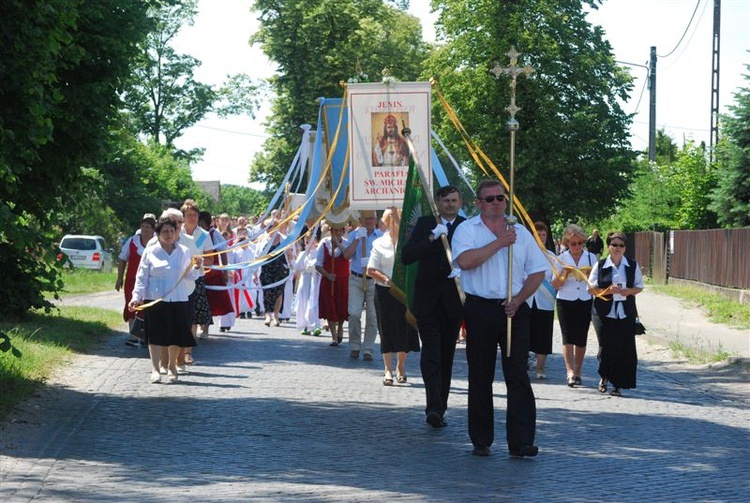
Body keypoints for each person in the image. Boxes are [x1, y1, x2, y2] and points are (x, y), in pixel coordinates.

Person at [452, 180, 546, 458]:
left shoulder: (521, 233)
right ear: (479, 202)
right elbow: (466, 261)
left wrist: (519, 300)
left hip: (514, 309)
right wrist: (499, 243)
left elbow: (537, 271)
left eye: (500, 198)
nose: (496, 203)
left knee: (517, 373)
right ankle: (481, 439)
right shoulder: (467, 230)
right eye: (490, 199)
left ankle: (521, 441)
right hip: (480, 308)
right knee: (480, 374)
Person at [401, 185, 465, 428]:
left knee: (447, 354)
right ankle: (433, 407)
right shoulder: (426, 223)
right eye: (445, 200)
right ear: (437, 202)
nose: (449, 204)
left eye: (453, 200)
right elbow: (407, 256)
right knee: (431, 353)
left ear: (460, 202)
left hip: (453, 299)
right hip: (427, 300)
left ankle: (442, 405)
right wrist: (431, 237)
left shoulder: (466, 226)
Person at [129, 217, 202, 384]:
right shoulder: (150, 251)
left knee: (175, 336)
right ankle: (155, 369)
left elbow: (189, 275)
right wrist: (135, 297)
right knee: (155, 335)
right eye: (165, 231)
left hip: (178, 299)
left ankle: (172, 366)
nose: (169, 234)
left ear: (176, 233)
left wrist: (197, 267)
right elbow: (141, 277)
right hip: (155, 298)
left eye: (172, 231)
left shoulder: (183, 251)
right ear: (158, 234)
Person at [367, 208, 420, 386]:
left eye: (397, 219)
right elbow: (371, 270)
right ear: (385, 223)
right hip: (385, 292)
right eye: (391, 220)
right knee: (387, 329)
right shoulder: (378, 244)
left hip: (405, 292)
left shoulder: (409, 242)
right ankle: (387, 369)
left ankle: (401, 366)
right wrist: (387, 280)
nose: (395, 223)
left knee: (404, 328)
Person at [588, 232, 644, 397]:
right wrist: (607, 291)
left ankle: (618, 384)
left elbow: (639, 287)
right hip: (603, 312)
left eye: (621, 245)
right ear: (608, 247)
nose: (617, 248)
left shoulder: (632, 265)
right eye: (614, 245)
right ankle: (604, 378)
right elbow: (590, 288)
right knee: (605, 346)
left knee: (623, 347)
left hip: (625, 311)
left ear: (625, 248)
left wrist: (628, 291)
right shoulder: (600, 265)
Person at [552, 224, 597, 387]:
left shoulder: (592, 258)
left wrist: (587, 275)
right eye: (573, 243)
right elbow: (555, 284)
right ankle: (569, 371)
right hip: (565, 299)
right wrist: (565, 273)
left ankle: (578, 370)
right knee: (567, 336)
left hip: (584, 298)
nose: (577, 247)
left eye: (579, 243)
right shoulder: (561, 259)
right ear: (567, 243)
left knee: (581, 337)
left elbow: (596, 284)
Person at [340, 210, 382, 360]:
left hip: (374, 279)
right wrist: (358, 239)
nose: (369, 221)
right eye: (366, 218)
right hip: (356, 278)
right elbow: (346, 255)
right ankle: (355, 345)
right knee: (355, 313)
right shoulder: (354, 235)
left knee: (372, 316)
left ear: (376, 220)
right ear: (361, 220)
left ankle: (368, 348)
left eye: (372, 218)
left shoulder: (380, 237)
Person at [116, 213, 156, 347]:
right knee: (131, 305)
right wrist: (119, 278)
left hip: (151, 281)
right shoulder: (132, 240)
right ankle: (133, 337)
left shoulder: (157, 242)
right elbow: (122, 259)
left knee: (148, 307)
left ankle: (146, 336)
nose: (145, 229)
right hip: (132, 280)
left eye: (148, 227)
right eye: (143, 226)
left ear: (153, 229)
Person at [528, 221, 557, 379]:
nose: (541, 237)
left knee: (543, 334)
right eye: (538, 235)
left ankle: (540, 368)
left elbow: (555, 279)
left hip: (545, 300)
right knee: (525, 332)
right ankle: (524, 360)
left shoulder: (552, 257)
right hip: (527, 298)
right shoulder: (525, 253)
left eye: (543, 235)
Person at [315, 222, 350, 347]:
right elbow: (318, 264)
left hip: (343, 281)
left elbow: (347, 256)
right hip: (328, 281)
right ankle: (334, 337)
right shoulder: (324, 244)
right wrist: (327, 275)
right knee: (329, 306)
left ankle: (340, 327)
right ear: (330, 231)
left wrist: (338, 244)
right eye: (335, 230)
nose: (338, 233)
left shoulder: (346, 243)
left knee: (342, 306)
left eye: (340, 230)